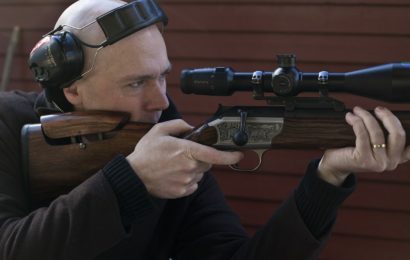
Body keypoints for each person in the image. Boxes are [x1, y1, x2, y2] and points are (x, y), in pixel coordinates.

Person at [0, 0, 408, 259]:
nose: (160, 101)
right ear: (71, 88)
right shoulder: (8, 122)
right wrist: (134, 180)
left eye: (162, 77)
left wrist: (328, 177)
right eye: (136, 83)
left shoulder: (164, 134)